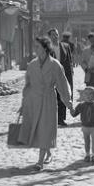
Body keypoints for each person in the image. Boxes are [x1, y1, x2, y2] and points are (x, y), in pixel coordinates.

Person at [17, 36, 72, 171]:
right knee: (38, 130)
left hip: (48, 100)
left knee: (45, 128)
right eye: (34, 46)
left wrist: (68, 101)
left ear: (45, 48)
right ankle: (47, 151)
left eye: (37, 46)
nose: (35, 49)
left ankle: (40, 161)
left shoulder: (55, 65)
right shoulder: (32, 65)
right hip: (34, 100)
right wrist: (23, 104)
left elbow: (62, 84)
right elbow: (27, 86)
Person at [70, 86, 94, 163]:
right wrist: (71, 109)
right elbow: (74, 114)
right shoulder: (81, 105)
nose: (88, 96)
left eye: (91, 94)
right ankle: (87, 154)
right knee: (87, 141)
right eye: (86, 94)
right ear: (83, 95)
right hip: (85, 127)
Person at [48, 28, 74, 126]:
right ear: (49, 36)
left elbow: (69, 61)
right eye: (53, 34)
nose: (55, 36)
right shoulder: (46, 47)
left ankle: (61, 119)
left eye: (57, 34)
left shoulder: (65, 46)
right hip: (51, 74)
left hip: (63, 74)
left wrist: (70, 73)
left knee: (63, 95)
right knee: (51, 97)